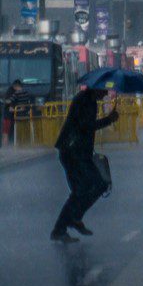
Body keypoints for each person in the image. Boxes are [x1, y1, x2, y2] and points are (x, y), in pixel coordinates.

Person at [51, 85, 119, 243]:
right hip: (72, 151)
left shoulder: (90, 101)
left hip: (81, 151)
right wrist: (109, 119)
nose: (106, 94)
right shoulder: (84, 100)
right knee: (83, 189)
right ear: (97, 89)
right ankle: (62, 227)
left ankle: (73, 219)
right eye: (104, 90)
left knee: (97, 185)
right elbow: (85, 127)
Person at [2, 80, 32, 147]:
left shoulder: (16, 93)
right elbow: (27, 102)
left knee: (8, 130)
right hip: (24, 114)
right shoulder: (26, 93)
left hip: (16, 115)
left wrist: (4, 101)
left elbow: (9, 101)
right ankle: (24, 142)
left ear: (16, 86)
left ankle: (9, 144)